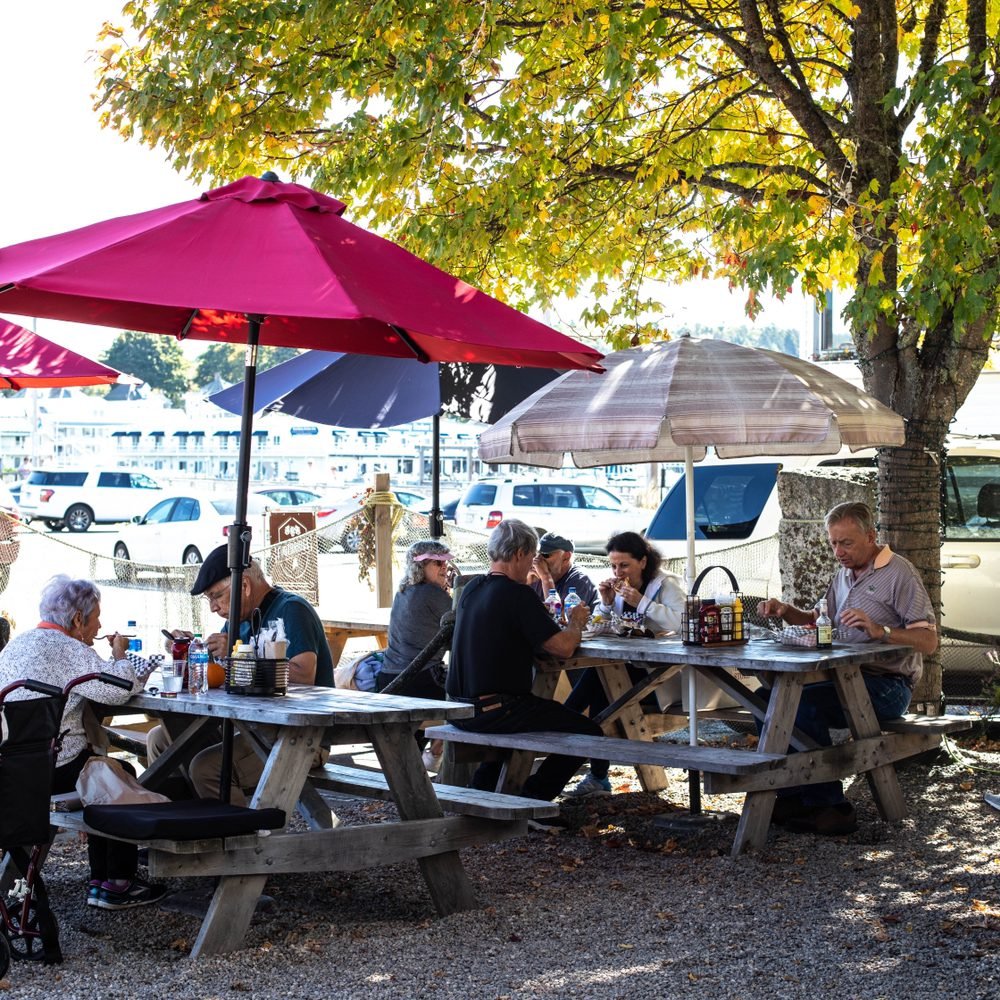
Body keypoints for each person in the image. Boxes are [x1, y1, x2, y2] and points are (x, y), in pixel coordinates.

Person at [757, 501, 938, 836]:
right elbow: (817, 621)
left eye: (846, 543)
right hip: (840, 677)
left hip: (888, 684)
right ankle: (796, 795)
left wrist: (881, 631)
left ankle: (830, 806)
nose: (838, 551)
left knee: (802, 704)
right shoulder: (842, 575)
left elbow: (928, 641)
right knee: (763, 699)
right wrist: (784, 610)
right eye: (833, 543)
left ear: (871, 536)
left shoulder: (899, 573)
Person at [0, 575, 164, 910]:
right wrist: (119, 653)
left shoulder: (17, 644)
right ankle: (116, 882)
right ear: (78, 619)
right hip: (52, 769)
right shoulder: (68, 648)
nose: (99, 625)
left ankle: (102, 880)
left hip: (12, 769)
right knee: (117, 772)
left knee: (103, 766)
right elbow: (117, 688)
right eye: (96, 618)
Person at [149, 545, 334, 802]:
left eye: (216, 596)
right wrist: (192, 649)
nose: (213, 607)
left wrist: (237, 656)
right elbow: (222, 672)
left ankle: (240, 839)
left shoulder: (292, 609)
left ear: (244, 586)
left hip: (299, 736)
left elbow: (304, 676)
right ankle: (179, 826)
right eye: (209, 599)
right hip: (251, 729)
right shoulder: (239, 618)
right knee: (161, 740)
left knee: (207, 767)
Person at [446, 519, 602, 814]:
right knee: (588, 731)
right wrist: (577, 623)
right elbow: (563, 647)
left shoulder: (472, 588)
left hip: (458, 707)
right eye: (531, 558)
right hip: (496, 710)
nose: (533, 566)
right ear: (519, 554)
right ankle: (532, 801)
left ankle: (481, 793)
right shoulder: (516, 595)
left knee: (522, 722)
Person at [562, 531, 687, 797]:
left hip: (659, 675)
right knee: (601, 687)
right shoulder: (618, 589)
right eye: (614, 565)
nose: (618, 572)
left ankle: (565, 722)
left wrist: (642, 603)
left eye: (624, 565)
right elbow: (599, 625)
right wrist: (606, 604)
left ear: (643, 561)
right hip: (623, 668)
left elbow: (680, 623)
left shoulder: (667, 585)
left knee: (599, 684)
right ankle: (596, 773)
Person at [376, 539, 455, 770]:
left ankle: (420, 764)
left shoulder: (403, 591)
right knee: (474, 697)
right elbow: (465, 633)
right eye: (437, 563)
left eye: (445, 564)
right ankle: (437, 755)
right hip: (418, 680)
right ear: (420, 567)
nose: (444, 568)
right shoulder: (433, 594)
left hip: (389, 678)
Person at [529, 532, 599, 608]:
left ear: (566, 557)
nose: (537, 560)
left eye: (545, 555)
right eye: (537, 553)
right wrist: (525, 583)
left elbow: (558, 616)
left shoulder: (580, 581)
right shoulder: (535, 577)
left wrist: (546, 578)